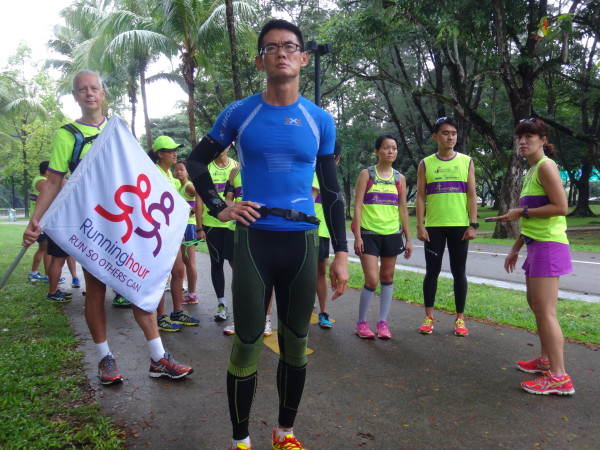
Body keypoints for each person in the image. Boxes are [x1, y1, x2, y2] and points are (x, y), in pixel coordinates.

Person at [186, 19, 349, 450]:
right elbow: (196, 162)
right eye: (272, 47)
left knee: (296, 343)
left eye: (290, 46)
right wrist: (220, 207)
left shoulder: (319, 120)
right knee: (247, 342)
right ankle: (240, 440)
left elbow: (332, 192)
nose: (282, 52)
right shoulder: (239, 113)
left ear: (303, 58)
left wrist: (343, 252)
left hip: (302, 242)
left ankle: (284, 432)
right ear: (261, 59)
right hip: (254, 240)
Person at [22, 70, 193, 384]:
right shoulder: (68, 134)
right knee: (96, 291)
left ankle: (158, 358)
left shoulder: (118, 129)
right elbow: (54, 181)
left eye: (94, 88)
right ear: (75, 95)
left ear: (103, 94)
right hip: (93, 224)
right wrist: (36, 220)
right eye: (82, 89)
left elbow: (137, 171)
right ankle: (105, 360)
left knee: (142, 284)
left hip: (125, 220)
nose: (89, 93)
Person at [490, 118, 575, 395]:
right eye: (519, 138)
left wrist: (521, 212)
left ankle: (560, 377)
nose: (522, 142)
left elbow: (561, 207)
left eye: (529, 136)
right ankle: (546, 360)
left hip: (550, 245)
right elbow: (533, 219)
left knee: (546, 311)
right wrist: (516, 247)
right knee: (536, 306)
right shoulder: (531, 172)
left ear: (543, 140)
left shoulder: (546, 167)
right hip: (536, 244)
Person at [415, 116, 478, 336]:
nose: (450, 137)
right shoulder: (426, 163)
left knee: (458, 272)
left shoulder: (466, 161)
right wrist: (420, 225)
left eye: (453, 133)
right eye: (445, 133)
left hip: (460, 226)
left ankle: (460, 319)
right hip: (434, 227)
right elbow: (421, 197)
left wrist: (473, 224)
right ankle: (428, 317)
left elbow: (471, 194)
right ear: (435, 136)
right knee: (431, 272)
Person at [352, 135, 412, 339]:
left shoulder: (399, 178)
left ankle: (382, 323)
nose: (391, 151)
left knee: (387, 277)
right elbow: (358, 205)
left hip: (392, 234)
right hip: (369, 234)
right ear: (376, 151)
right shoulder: (366, 175)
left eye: (394, 148)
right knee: (371, 279)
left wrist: (409, 238)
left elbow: (403, 208)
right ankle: (361, 323)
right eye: (386, 148)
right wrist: (357, 235)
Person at [148, 136, 200, 332]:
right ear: (159, 153)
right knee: (162, 276)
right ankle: (160, 317)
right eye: (169, 150)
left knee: (178, 271)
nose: (174, 153)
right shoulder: (154, 173)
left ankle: (177, 311)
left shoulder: (170, 174)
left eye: (175, 150)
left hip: (174, 232)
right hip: (159, 233)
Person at [223, 166, 273, 337]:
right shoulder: (235, 172)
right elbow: (228, 199)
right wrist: (236, 206)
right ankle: (240, 319)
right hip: (237, 229)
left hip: (263, 229)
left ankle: (265, 318)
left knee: (266, 275)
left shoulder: (268, 166)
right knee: (239, 276)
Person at [196, 146, 238, 322]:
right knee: (217, 263)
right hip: (212, 223)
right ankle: (221, 304)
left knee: (237, 266)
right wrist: (199, 228)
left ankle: (241, 305)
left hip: (233, 225)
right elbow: (198, 200)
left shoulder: (236, 167)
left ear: (229, 146)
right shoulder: (205, 169)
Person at [312, 141, 343, 329]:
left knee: (320, 272)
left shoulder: (332, 181)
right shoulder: (311, 174)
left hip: (322, 233)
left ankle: (323, 312)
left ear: (337, 159)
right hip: (303, 232)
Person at [173, 160, 201, 305]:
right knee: (185, 261)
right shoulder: (181, 186)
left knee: (190, 262)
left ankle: (192, 294)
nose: (178, 172)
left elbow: (199, 198)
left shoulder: (189, 186)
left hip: (189, 226)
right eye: (176, 169)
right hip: (183, 226)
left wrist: (192, 213)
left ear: (187, 171)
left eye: (181, 169)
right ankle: (189, 292)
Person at [27, 160, 51, 284]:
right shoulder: (41, 181)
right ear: (47, 171)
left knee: (43, 248)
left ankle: (34, 273)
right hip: (40, 222)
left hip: (40, 220)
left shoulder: (38, 179)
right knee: (46, 249)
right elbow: (53, 192)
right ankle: (47, 276)